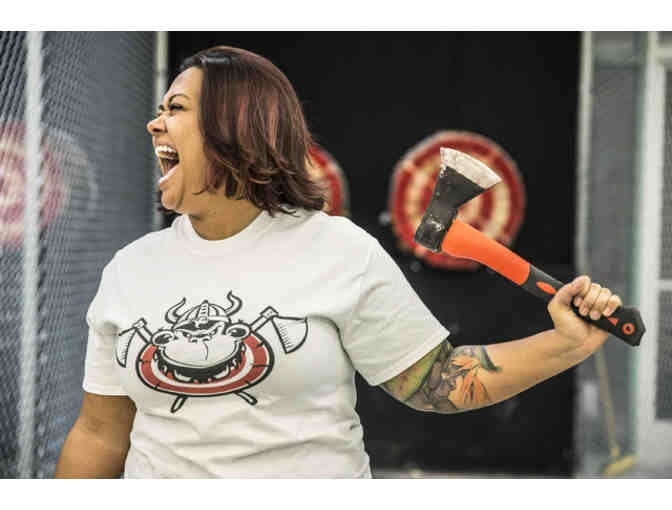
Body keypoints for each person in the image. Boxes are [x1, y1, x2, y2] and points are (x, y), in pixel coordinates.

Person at [55, 46, 622, 479]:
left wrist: (566, 344)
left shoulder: (339, 250)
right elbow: (100, 433)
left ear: (236, 127)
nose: (154, 123)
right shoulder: (130, 268)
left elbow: (435, 382)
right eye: (159, 110)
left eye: (176, 109)